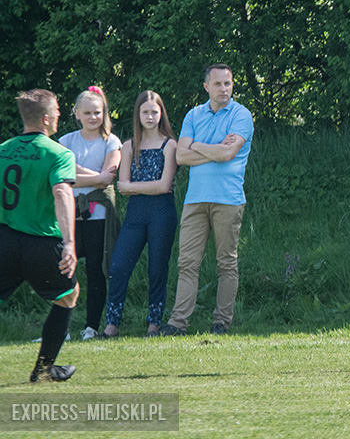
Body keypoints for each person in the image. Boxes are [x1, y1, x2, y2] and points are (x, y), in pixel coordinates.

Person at [155, 63, 253, 336]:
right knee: (187, 262)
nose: (225, 88)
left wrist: (195, 145)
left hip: (228, 199)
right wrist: (210, 148)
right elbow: (180, 156)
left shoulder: (241, 114)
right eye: (219, 84)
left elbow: (227, 155)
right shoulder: (194, 114)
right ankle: (178, 323)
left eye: (228, 83)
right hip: (195, 200)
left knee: (226, 262)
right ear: (206, 86)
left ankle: (221, 322)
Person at [0, 89, 80, 382]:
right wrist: (69, 243)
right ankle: (44, 370)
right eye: (57, 110)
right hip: (42, 243)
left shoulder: (2, 150)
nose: (60, 114)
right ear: (46, 118)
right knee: (69, 295)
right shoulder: (58, 153)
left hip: (4, 239)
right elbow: (62, 192)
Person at [100, 91, 178, 338]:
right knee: (118, 266)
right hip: (135, 214)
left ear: (161, 114)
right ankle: (112, 324)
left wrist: (134, 187)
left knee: (157, 268)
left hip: (162, 213)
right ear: (138, 115)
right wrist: (137, 187)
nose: (150, 116)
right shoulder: (129, 146)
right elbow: (122, 187)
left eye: (155, 111)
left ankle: (154, 324)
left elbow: (164, 186)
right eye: (145, 112)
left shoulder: (170, 145)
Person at [58, 86, 122, 340]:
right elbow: (64, 176)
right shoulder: (66, 142)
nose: (93, 117)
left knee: (96, 270)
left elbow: (107, 179)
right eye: (87, 113)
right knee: (66, 270)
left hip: (99, 218)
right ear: (76, 114)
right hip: (70, 215)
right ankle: (62, 328)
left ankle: (91, 327)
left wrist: (78, 174)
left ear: (104, 112)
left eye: (97, 112)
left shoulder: (111, 142)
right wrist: (93, 177)